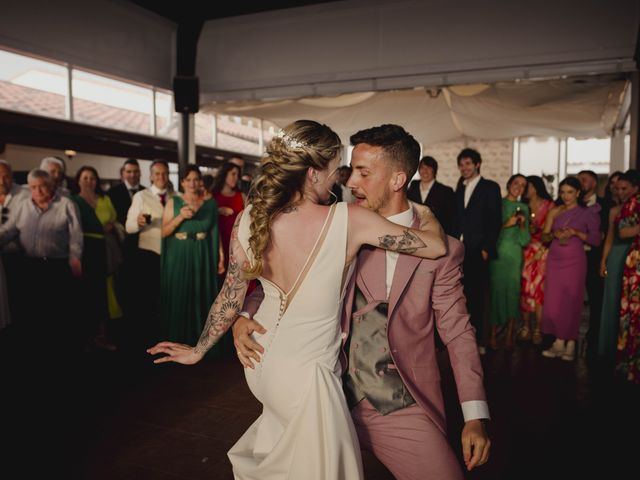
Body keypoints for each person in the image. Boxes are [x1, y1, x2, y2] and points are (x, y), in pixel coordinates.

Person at [148, 120, 450, 480]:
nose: (340, 179)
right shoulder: (350, 219)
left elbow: (230, 296)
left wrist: (198, 349)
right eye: (335, 170)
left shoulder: (249, 219)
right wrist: (427, 214)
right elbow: (435, 246)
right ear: (311, 173)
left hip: (261, 366)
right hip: (307, 377)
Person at [232, 123, 490, 479]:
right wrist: (244, 315)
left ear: (398, 179)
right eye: (350, 170)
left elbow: (459, 333)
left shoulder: (444, 251)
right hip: (323, 395)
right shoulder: (331, 221)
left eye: (363, 173)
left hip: (399, 405)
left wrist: (474, 416)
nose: (350, 181)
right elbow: (276, 280)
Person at [0, 169, 82, 336]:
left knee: (56, 313)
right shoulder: (24, 206)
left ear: (51, 185)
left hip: (56, 266)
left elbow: (76, 236)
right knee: (31, 312)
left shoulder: (66, 204)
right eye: (33, 187)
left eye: (42, 186)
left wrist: (75, 260)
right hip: (30, 266)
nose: (38, 191)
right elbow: (8, 230)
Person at [159, 165, 225, 349]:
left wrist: (220, 256)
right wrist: (180, 217)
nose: (192, 183)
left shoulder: (210, 203)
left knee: (201, 295)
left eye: (196, 179)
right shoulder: (174, 201)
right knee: (180, 295)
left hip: (203, 253)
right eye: (188, 179)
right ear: (182, 182)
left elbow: (215, 230)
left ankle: (201, 344)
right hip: (180, 253)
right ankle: (177, 342)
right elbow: (164, 232)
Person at [541, 177, 601, 361]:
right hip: (555, 259)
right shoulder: (555, 211)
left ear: (578, 193)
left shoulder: (587, 212)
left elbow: (596, 239)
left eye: (570, 192)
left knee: (572, 300)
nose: (566, 196)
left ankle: (571, 343)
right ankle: (558, 341)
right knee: (553, 302)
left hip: (575, 261)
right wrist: (553, 234)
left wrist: (576, 233)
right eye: (562, 192)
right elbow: (544, 237)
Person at [451, 148, 502, 353]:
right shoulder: (459, 188)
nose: (465, 168)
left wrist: (487, 248)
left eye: (468, 164)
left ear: (478, 164)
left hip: (478, 249)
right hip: (459, 249)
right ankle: (462, 337)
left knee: (479, 297)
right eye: (462, 164)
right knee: (459, 294)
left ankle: (480, 340)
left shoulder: (490, 187)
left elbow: (494, 219)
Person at [71, 166, 120, 351]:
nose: (89, 181)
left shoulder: (104, 199)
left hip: (102, 249)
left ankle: (101, 336)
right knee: (84, 293)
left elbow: (115, 219)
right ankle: (84, 336)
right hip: (83, 249)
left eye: (92, 178)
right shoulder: (73, 200)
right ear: (78, 180)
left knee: (102, 292)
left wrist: (112, 225)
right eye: (85, 177)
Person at [125, 160, 171, 346]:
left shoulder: (176, 196)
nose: (161, 177)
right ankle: (150, 339)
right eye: (157, 174)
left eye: (164, 173)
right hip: (148, 255)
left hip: (171, 254)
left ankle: (168, 333)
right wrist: (138, 222)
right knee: (149, 299)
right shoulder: (141, 196)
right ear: (151, 176)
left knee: (168, 297)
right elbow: (128, 227)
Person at [599, 170, 639, 362]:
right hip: (617, 255)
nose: (620, 192)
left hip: (632, 256)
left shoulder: (635, 207)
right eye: (617, 189)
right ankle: (611, 346)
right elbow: (610, 237)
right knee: (614, 301)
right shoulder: (615, 210)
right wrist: (603, 261)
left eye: (624, 188)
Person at [488, 174, 530, 350]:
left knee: (513, 293)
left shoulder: (524, 208)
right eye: (516, 183)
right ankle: (492, 334)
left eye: (523, 185)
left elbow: (525, 240)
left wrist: (520, 225)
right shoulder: (498, 204)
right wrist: (507, 224)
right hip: (497, 254)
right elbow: (490, 231)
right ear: (509, 184)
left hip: (514, 255)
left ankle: (510, 334)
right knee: (496, 293)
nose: (518, 187)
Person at [519, 175, 555, 345]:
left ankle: (538, 329)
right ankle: (525, 326)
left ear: (536, 187)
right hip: (525, 251)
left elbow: (553, 230)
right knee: (525, 289)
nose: (526, 189)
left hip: (542, 251)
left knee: (539, 290)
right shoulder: (522, 206)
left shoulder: (549, 206)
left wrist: (542, 245)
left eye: (529, 186)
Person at [577, 170, 608, 361]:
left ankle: (594, 337)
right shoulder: (572, 204)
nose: (581, 182)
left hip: (594, 256)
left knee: (596, 298)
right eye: (579, 179)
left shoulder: (604, 205)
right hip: (573, 256)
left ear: (594, 183)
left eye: (585, 179)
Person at [616, 180, 640, 383]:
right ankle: (633, 364)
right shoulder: (633, 202)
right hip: (637, 262)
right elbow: (622, 231)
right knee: (636, 314)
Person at [0, 160, 29, 322]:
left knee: (17, 305)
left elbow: (17, 226)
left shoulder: (25, 195)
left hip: (18, 258)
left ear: (12, 177)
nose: (2, 181)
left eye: (6, 177)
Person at [211, 161, 246, 272]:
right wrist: (217, 211)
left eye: (238, 175)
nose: (236, 178)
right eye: (233, 174)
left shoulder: (242, 196)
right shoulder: (212, 196)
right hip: (219, 242)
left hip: (238, 243)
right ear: (224, 174)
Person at [407, 155, 456, 235]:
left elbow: (452, 219)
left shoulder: (446, 191)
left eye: (429, 168)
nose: (425, 171)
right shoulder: (412, 188)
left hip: (437, 235)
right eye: (422, 167)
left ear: (434, 170)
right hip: (414, 235)